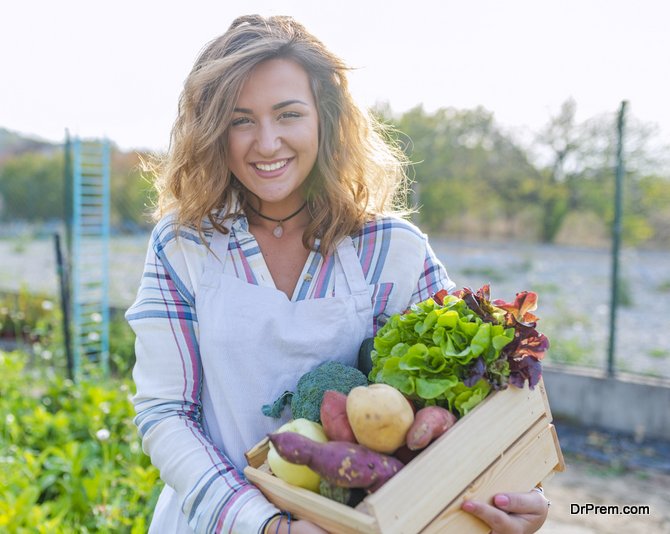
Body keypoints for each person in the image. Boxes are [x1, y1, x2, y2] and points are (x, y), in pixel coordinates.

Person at [127, 14, 550, 534]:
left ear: (325, 118)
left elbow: (467, 397)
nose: (265, 142)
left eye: (288, 114)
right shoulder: (183, 245)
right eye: (240, 120)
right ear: (213, 131)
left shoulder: (392, 249)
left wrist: (516, 488)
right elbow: (166, 416)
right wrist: (267, 527)